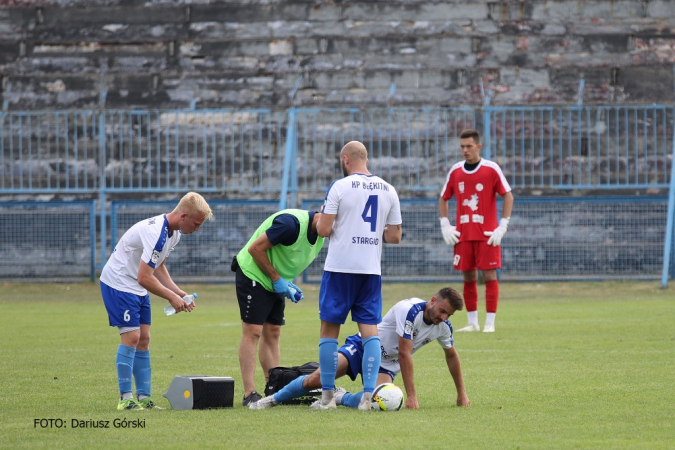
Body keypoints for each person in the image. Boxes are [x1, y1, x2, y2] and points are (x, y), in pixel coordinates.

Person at [249, 287, 470, 410]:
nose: (443, 317)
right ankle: (272, 400)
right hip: (364, 345)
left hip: (387, 365)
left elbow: (452, 357)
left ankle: (340, 397)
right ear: (432, 300)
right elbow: (405, 353)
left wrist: (462, 395)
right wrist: (412, 396)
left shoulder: (444, 328)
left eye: (448, 315)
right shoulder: (409, 310)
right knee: (315, 380)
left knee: (380, 401)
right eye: (442, 310)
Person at [100, 192, 213, 410]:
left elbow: (158, 266)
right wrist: (171, 297)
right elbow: (144, 277)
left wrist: (178, 292)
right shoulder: (156, 232)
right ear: (183, 215)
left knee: (144, 339)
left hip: (136, 285)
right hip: (119, 283)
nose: (197, 229)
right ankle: (126, 399)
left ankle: (144, 398)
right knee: (132, 337)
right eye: (196, 224)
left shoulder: (175, 233)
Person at [312, 140, 403, 411]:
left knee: (329, 331)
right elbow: (394, 236)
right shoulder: (389, 189)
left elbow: (323, 230)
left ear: (345, 159)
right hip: (370, 270)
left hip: (340, 268)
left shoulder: (340, 186)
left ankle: (327, 398)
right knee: (370, 333)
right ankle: (367, 398)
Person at [232, 209, 325, 406]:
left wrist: (285, 282)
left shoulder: (321, 235)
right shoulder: (290, 224)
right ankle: (249, 393)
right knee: (253, 331)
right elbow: (255, 249)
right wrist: (277, 279)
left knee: (273, 331)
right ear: (325, 212)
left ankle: (273, 389)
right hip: (253, 273)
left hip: (274, 278)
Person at [439, 129, 514, 333]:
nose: (465, 150)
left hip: (487, 235)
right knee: (468, 278)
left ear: (478, 147)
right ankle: (473, 322)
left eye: (469, 146)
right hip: (463, 235)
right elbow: (443, 197)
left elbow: (508, 195)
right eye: (462, 146)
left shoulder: (491, 169)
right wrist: (445, 224)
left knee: (490, 276)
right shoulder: (455, 171)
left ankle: (490, 322)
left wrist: (502, 225)